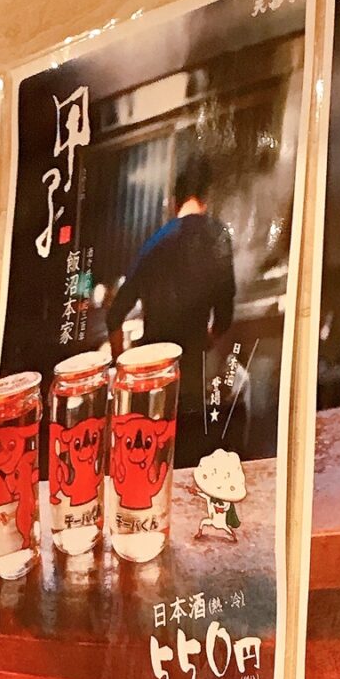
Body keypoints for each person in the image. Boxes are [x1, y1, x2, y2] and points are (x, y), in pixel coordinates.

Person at [102, 145, 238, 464]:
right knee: (193, 456)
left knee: (156, 458)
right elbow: (225, 311)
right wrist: (208, 337)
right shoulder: (218, 235)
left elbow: (114, 316)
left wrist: (122, 366)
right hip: (193, 371)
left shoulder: (155, 242)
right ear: (206, 197)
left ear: (174, 201)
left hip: (154, 377)